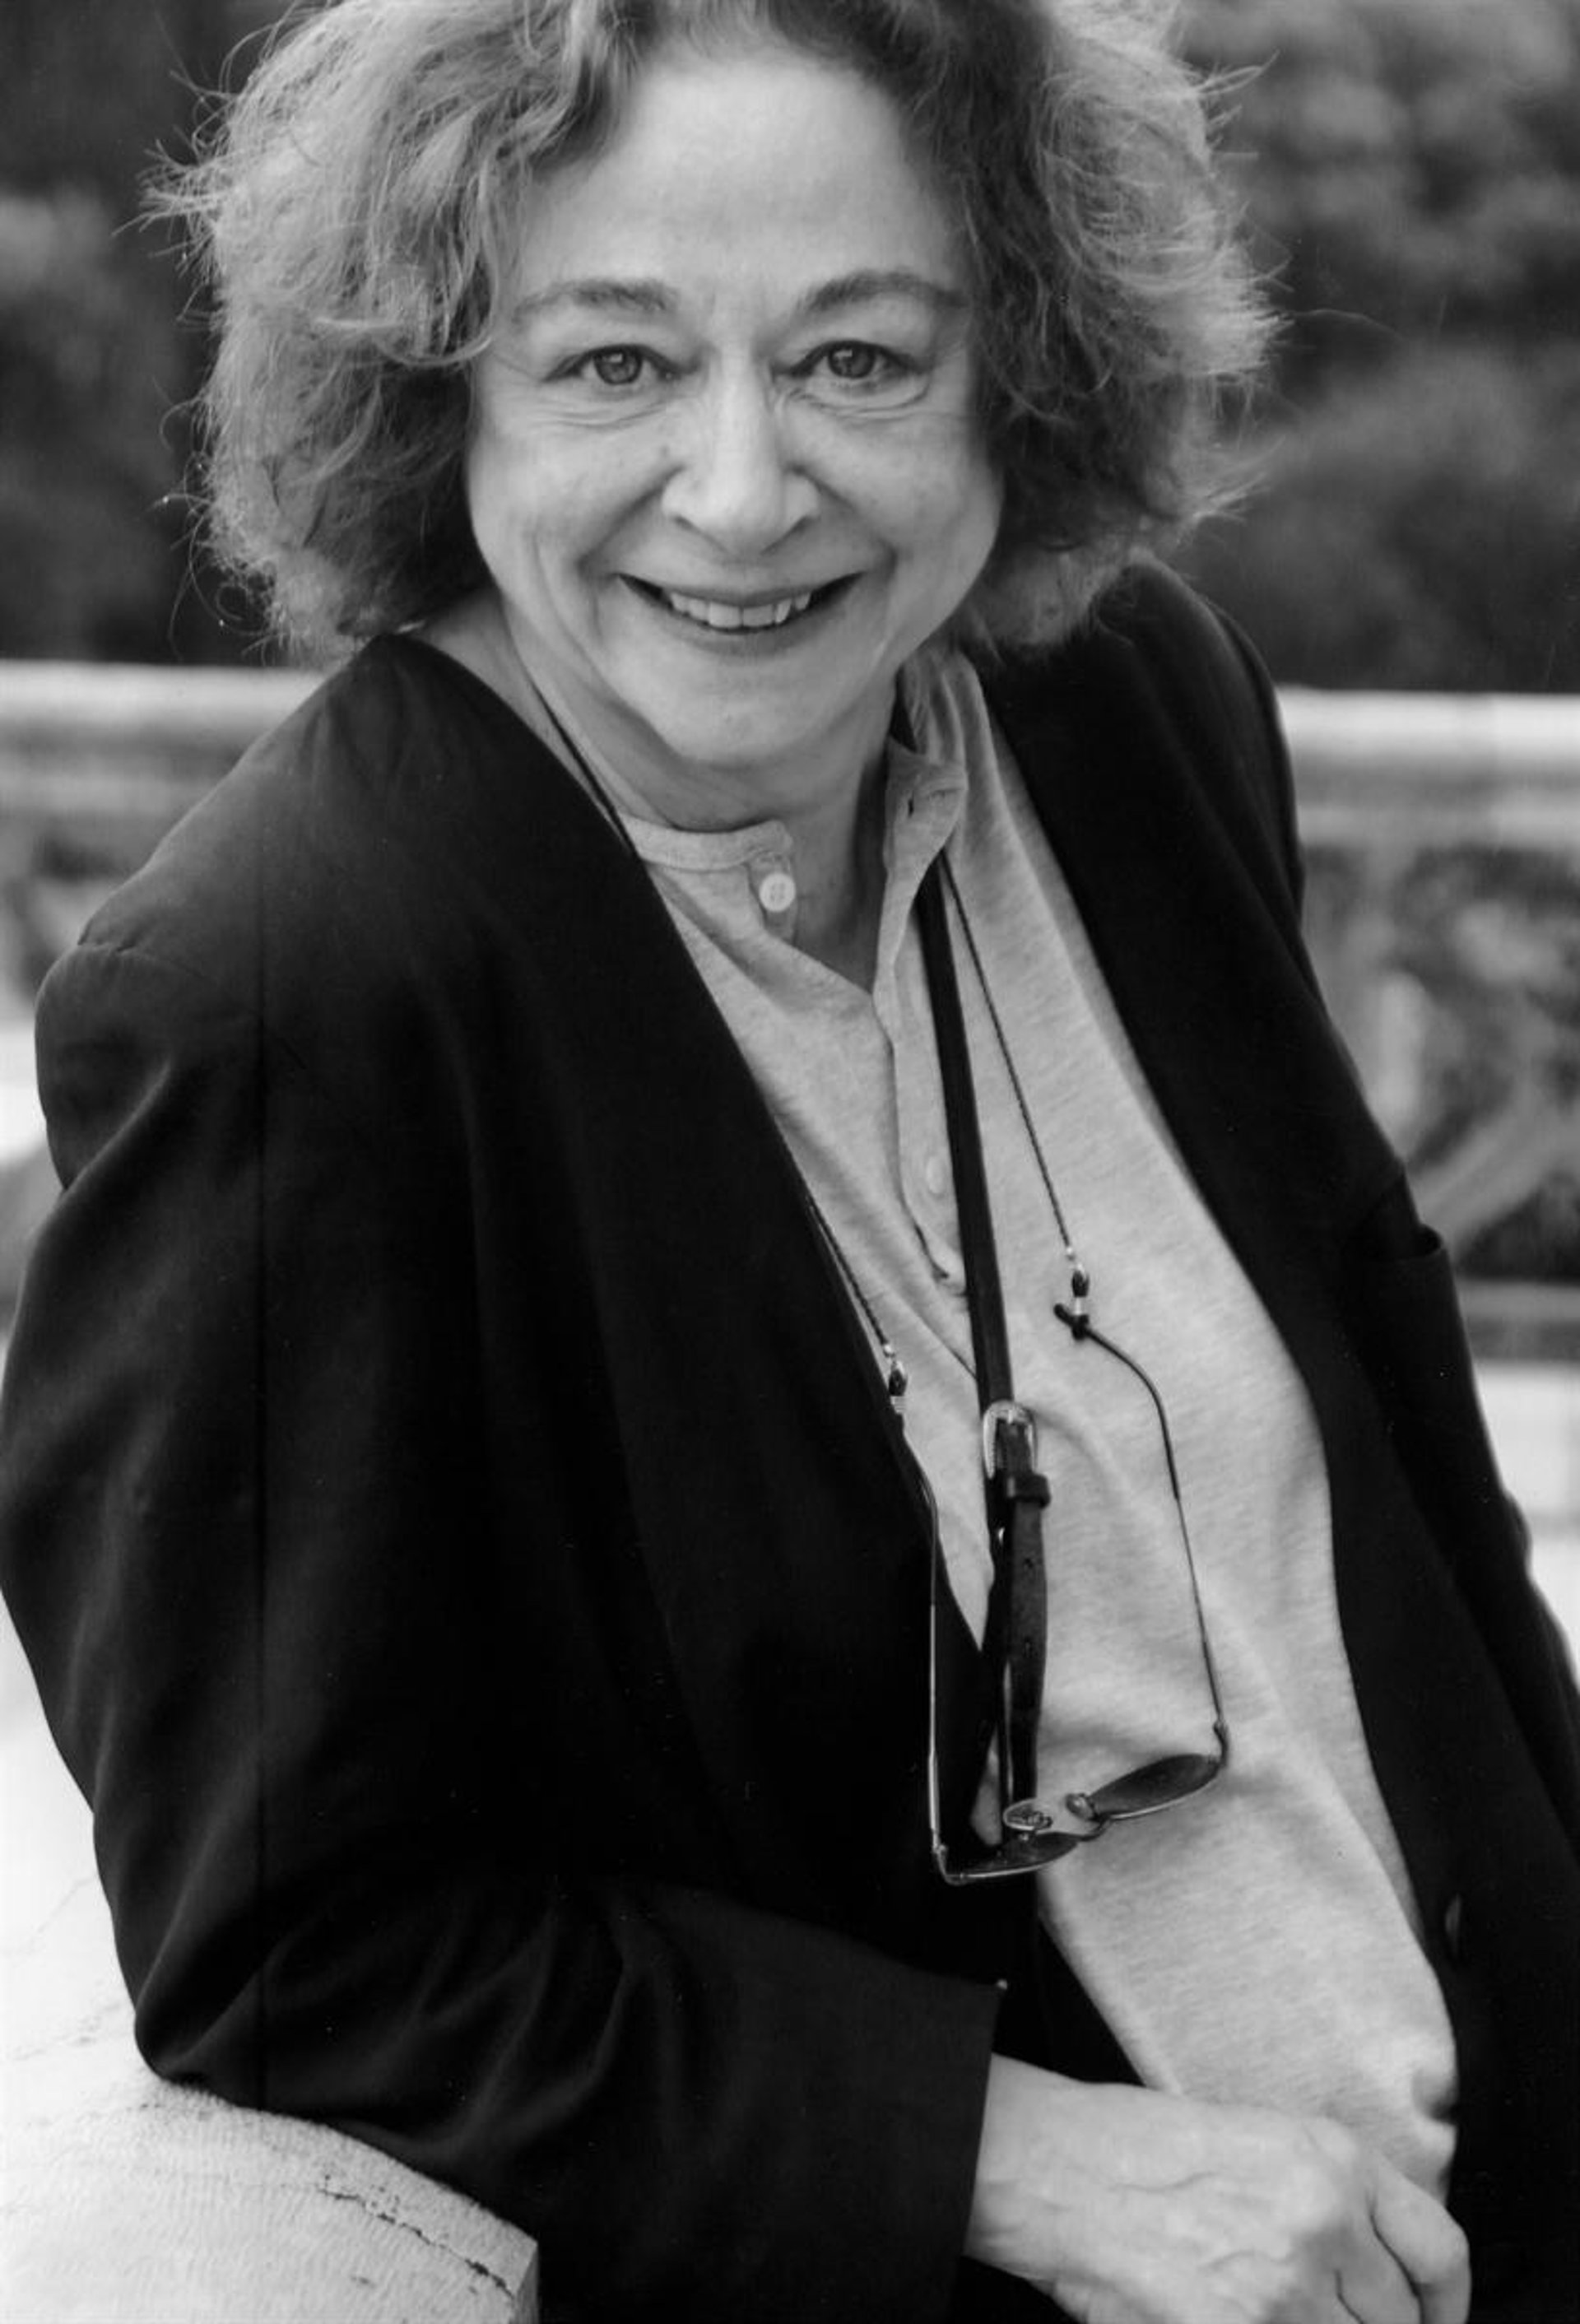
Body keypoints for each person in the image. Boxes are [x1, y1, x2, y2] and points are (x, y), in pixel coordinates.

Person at [1, 1, 1576, 2317]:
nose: (742, 495)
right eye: (613, 365)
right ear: (436, 395)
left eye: (859, 359)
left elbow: (1405, 1496)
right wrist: (1021, 2163)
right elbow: (297, 1935)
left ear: (1022, 371)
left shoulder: (1132, 703)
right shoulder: (286, 991)